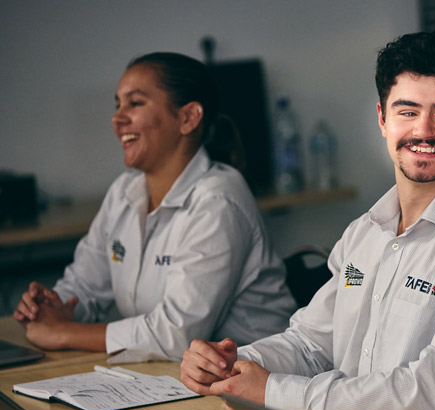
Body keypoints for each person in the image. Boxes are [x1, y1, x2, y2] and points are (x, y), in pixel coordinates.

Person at [180, 31, 435, 410]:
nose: (423, 131)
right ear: (382, 119)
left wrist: (275, 393)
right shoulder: (365, 233)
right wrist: (230, 364)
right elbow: (311, 344)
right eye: (407, 112)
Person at [13, 52, 296, 361]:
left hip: (251, 381)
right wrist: (55, 306)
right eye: (117, 104)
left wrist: (62, 333)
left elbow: (177, 335)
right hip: (169, 377)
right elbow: (86, 284)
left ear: (188, 118)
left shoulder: (218, 200)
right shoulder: (124, 191)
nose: (118, 119)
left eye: (134, 103)